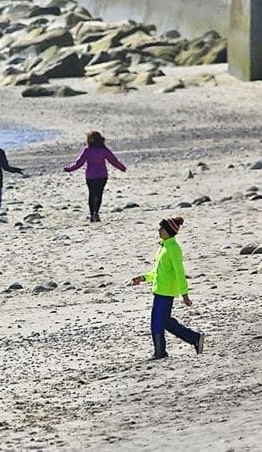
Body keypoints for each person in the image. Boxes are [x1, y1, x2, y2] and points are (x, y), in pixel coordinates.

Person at [130, 216, 205, 360]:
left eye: (162, 228)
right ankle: (194, 338)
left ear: (169, 231)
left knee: (158, 322)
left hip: (166, 292)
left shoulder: (173, 248)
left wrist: (184, 294)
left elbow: (179, 272)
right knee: (164, 321)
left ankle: (161, 352)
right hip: (159, 291)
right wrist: (143, 278)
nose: (159, 231)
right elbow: (158, 272)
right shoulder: (163, 247)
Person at [63, 130, 127, 222]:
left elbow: (79, 163)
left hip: (91, 176)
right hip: (102, 176)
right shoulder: (103, 150)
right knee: (99, 194)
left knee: (92, 194)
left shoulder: (87, 150)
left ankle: (92, 214)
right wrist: (122, 168)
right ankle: (96, 213)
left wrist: (68, 169)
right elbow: (113, 161)